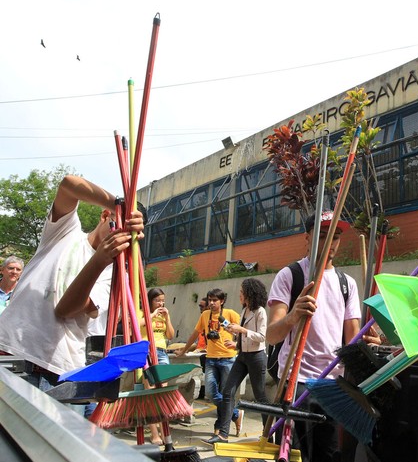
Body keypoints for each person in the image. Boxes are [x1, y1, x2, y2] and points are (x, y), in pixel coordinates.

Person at [0, 175, 144, 391]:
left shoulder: (115, 275)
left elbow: (66, 309)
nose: (118, 235)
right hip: (12, 350)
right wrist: (117, 203)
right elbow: (68, 184)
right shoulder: (64, 232)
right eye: (116, 225)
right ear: (105, 215)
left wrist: (99, 261)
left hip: (58, 371)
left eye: (127, 234)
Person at [266, 210, 361, 462]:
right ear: (307, 238)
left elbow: (352, 340)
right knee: (294, 455)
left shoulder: (346, 283)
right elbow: (271, 335)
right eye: (323, 234)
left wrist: (369, 344)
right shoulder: (290, 276)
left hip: (332, 383)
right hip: (295, 383)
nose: (331, 242)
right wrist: (293, 315)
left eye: (336, 236)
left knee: (328, 456)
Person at [208, 278, 269, 444]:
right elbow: (243, 335)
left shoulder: (260, 312)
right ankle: (223, 434)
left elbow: (262, 337)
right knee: (228, 392)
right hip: (242, 355)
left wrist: (241, 329)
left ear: (250, 293)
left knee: (260, 395)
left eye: (242, 292)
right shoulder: (245, 310)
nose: (240, 295)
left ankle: (268, 432)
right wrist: (234, 339)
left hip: (257, 357)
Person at [175, 288, 243, 437]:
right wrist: (184, 350)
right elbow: (195, 333)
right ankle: (236, 414)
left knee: (226, 394)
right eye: (210, 300)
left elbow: (242, 332)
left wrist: (237, 344)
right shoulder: (205, 315)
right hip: (211, 359)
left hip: (228, 359)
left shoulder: (231, 314)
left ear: (222, 301)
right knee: (211, 393)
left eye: (215, 300)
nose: (211, 303)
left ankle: (219, 427)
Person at [140, 287, 174, 445]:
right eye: (157, 300)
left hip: (161, 352)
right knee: (150, 393)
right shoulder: (142, 313)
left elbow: (170, 335)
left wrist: (167, 318)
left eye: (162, 300)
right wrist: (151, 315)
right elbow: (136, 325)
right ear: (150, 301)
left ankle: (164, 431)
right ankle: (154, 434)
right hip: (147, 352)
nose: (161, 303)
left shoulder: (164, 315)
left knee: (162, 393)